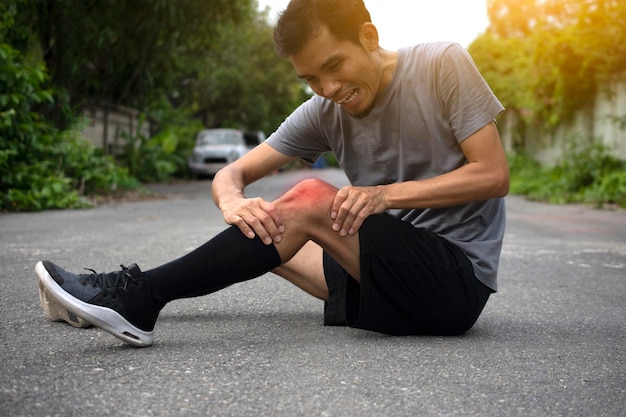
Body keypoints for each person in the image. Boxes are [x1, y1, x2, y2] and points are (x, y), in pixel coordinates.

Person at [35, 0, 509, 348]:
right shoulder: (324, 108)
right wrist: (232, 202)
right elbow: (232, 173)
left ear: (368, 36)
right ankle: (100, 303)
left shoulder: (441, 64)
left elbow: (492, 175)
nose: (329, 88)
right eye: (311, 79)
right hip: (385, 272)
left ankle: (140, 297)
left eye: (334, 66)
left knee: (307, 199)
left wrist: (385, 196)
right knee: (262, 226)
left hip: (454, 281)